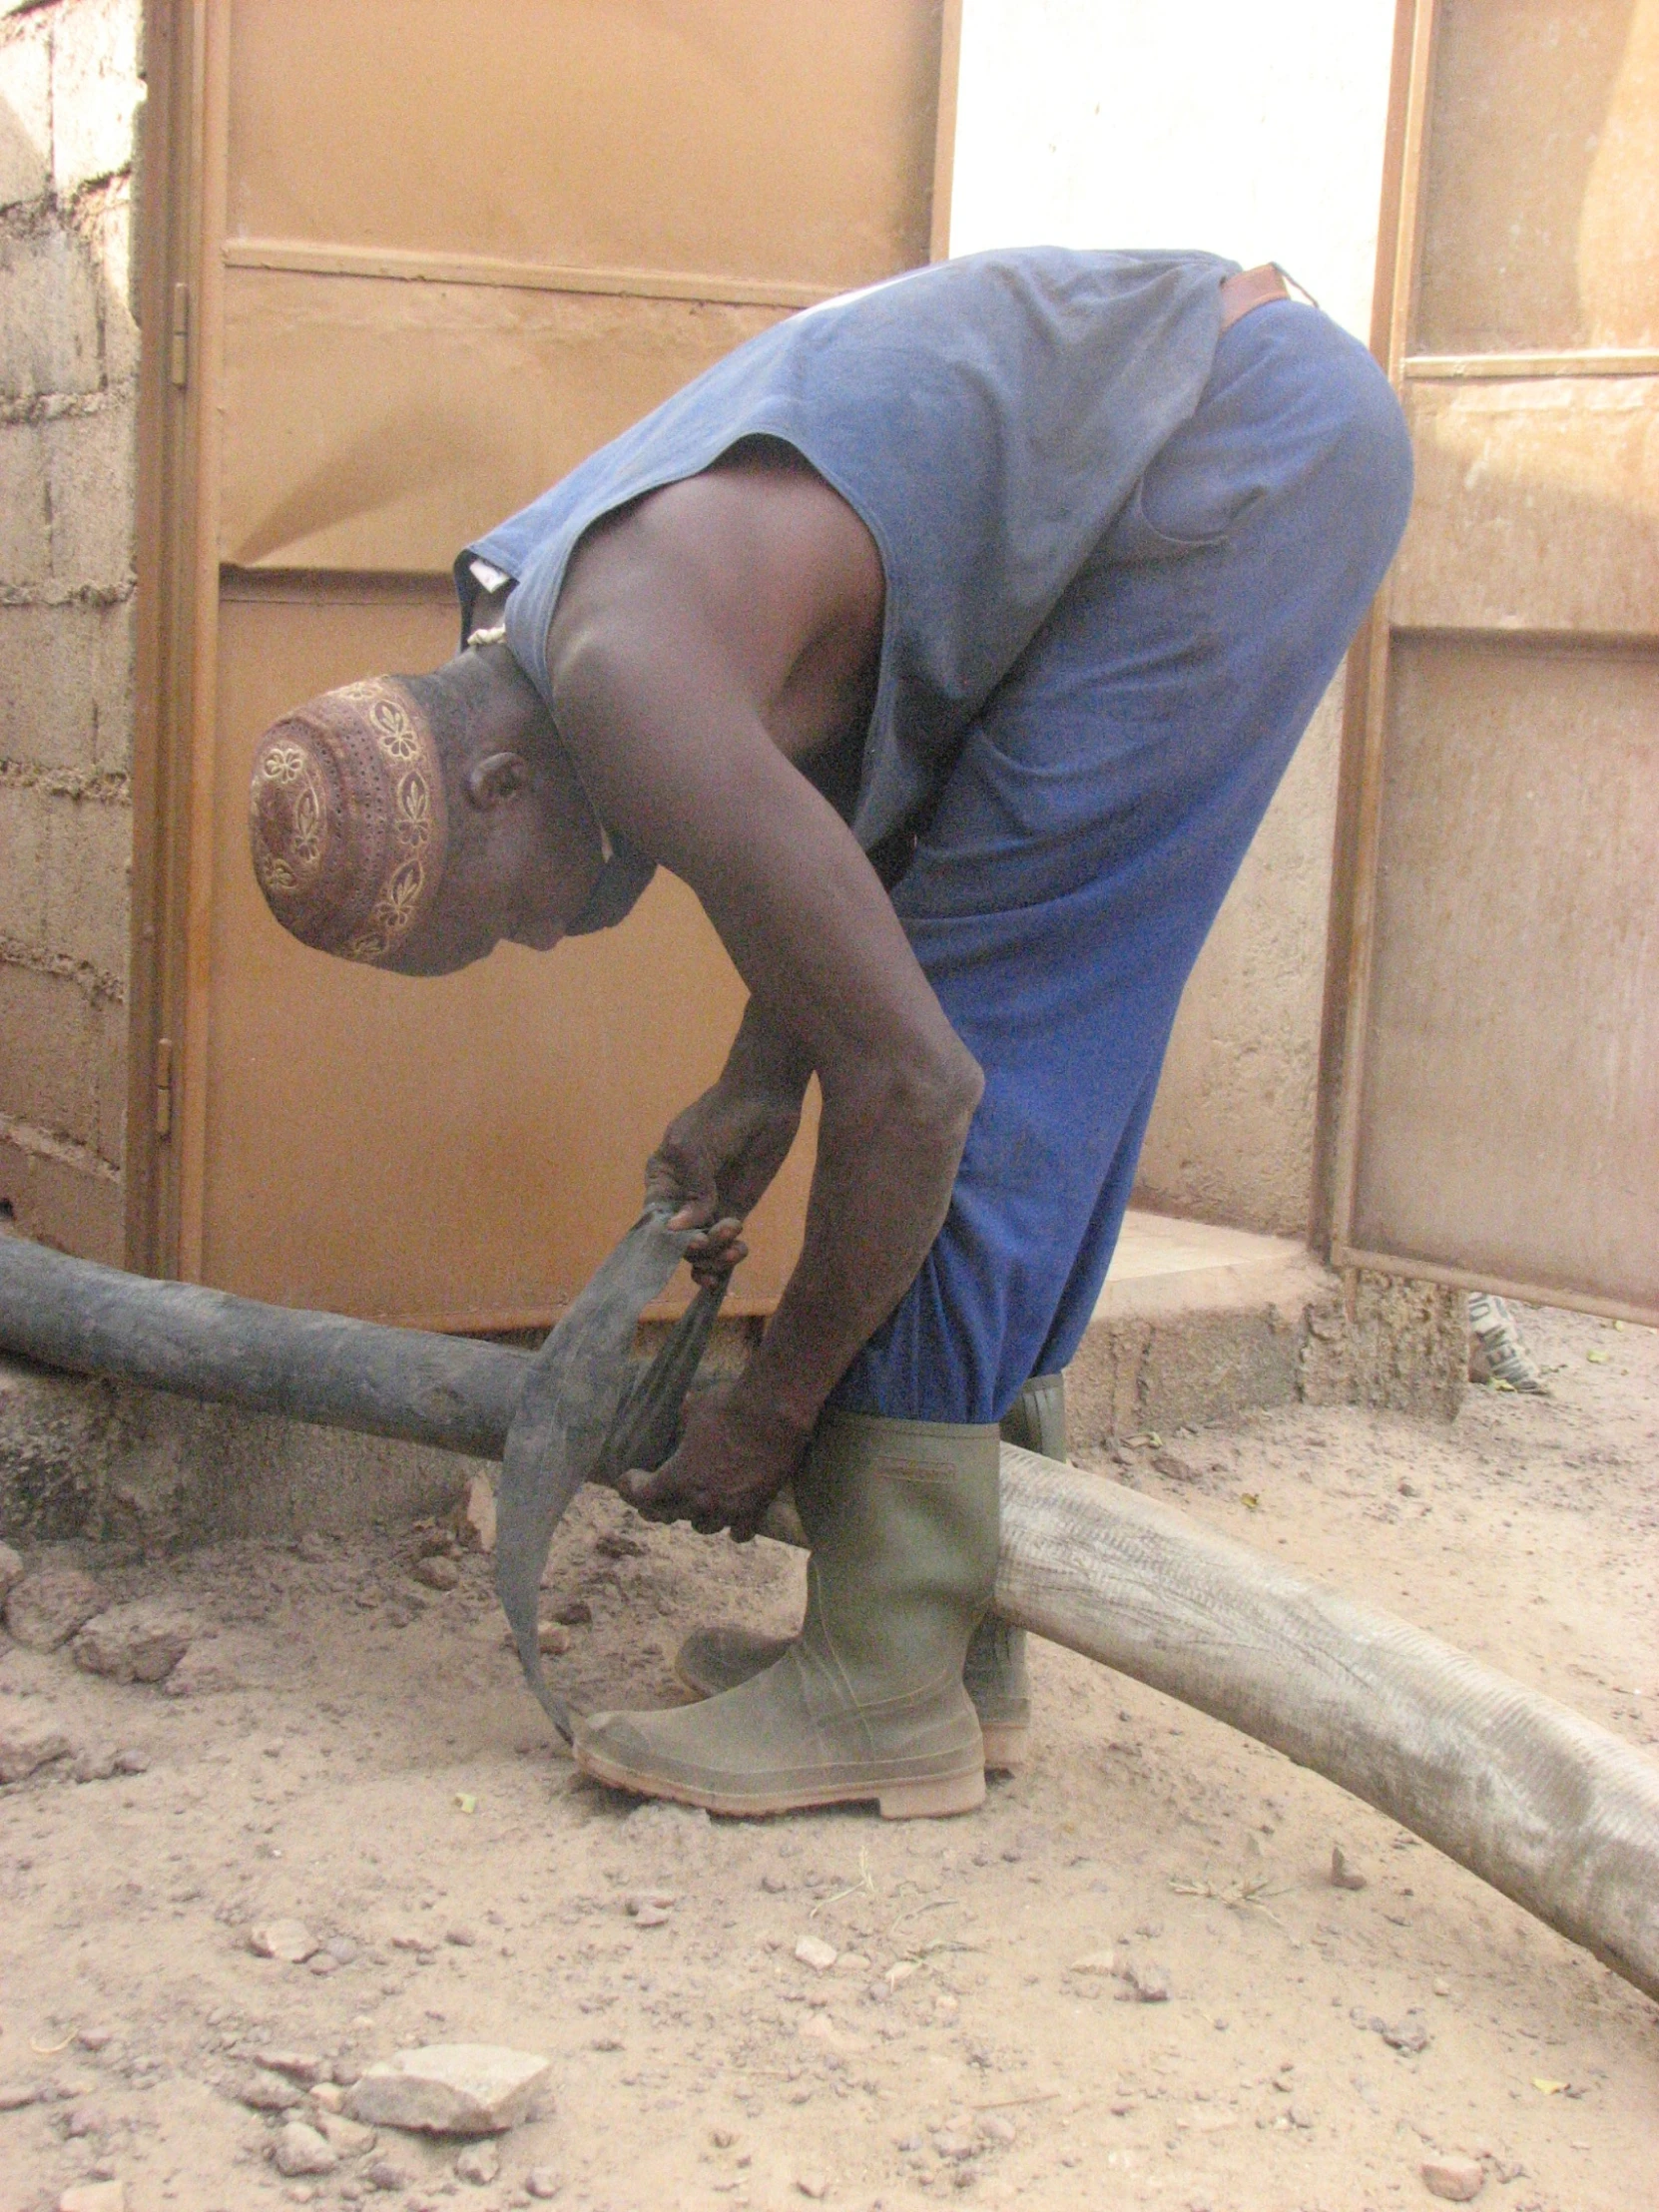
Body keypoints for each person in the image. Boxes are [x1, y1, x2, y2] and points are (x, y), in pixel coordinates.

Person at [249, 248, 1412, 1821]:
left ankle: (879, 1681)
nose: (539, 934)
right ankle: (945, 1649)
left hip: (1233, 452)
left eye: (500, 912)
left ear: (495, 788)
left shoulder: (622, 682)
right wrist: (752, 1079)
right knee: (963, 982)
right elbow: (850, 838)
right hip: (1198, 437)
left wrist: (776, 1405)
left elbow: (919, 1082)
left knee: (986, 1021)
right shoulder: (551, 623)